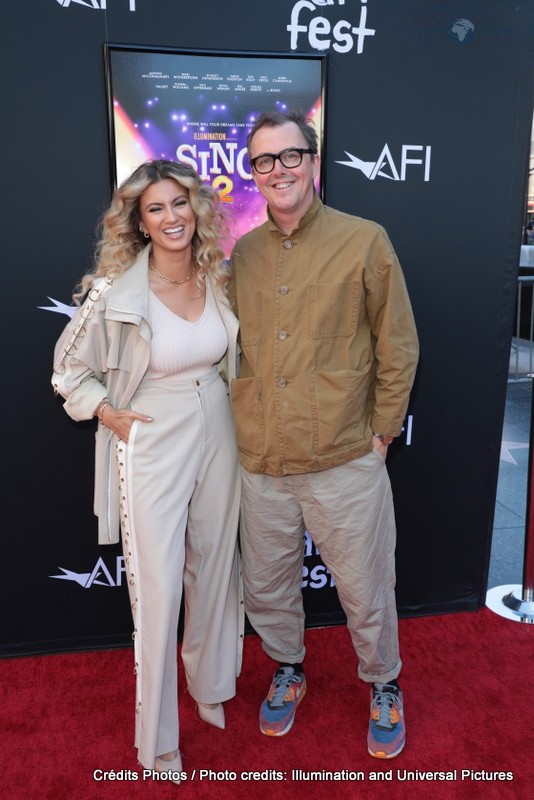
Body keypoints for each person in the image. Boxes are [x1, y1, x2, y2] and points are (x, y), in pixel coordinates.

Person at [229, 111, 419, 759]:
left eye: (290, 156)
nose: (278, 170)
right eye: (263, 160)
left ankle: (384, 681)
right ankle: (288, 666)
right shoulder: (243, 256)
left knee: (366, 585)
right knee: (268, 586)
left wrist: (382, 433)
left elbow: (398, 345)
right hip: (261, 461)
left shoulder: (365, 240)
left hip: (345, 458)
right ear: (251, 173)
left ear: (312, 161)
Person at [52, 159, 242, 783]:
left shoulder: (218, 275)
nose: (171, 217)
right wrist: (108, 413)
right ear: (138, 220)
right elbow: (67, 373)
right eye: (155, 208)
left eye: (180, 203)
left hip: (218, 425)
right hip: (151, 436)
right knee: (158, 588)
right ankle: (158, 738)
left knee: (215, 563)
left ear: (197, 209)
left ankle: (209, 680)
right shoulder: (116, 293)